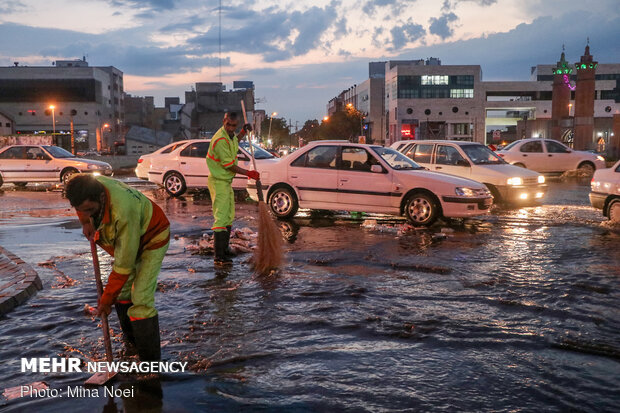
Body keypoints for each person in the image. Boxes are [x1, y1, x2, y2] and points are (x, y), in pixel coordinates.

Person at [65, 174, 170, 361]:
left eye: (90, 210)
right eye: (82, 210)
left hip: (152, 237)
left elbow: (123, 267)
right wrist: (85, 222)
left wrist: (105, 301)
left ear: (101, 198)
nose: (86, 213)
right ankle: (132, 346)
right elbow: (83, 207)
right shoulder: (86, 186)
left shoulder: (123, 212)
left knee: (141, 298)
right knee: (122, 294)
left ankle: (150, 363)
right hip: (129, 238)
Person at [206, 112, 260, 266]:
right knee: (221, 217)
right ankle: (219, 255)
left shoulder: (229, 136)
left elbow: (235, 142)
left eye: (234, 126)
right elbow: (228, 165)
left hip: (225, 182)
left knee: (229, 216)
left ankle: (225, 249)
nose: (230, 128)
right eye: (228, 124)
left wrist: (242, 132)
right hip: (218, 181)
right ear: (224, 121)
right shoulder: (220, 139)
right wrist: (248, 173)